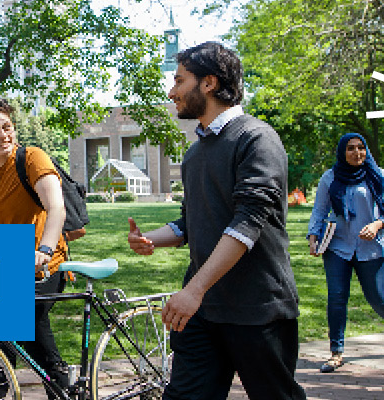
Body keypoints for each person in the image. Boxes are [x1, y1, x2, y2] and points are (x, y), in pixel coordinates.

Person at [126, 42, 305, 400]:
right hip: (204, 312)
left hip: (257, 308)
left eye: (179, 80)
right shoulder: (194, 153)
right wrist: (152, 239)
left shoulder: (257, 139)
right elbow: (190, 223)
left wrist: (194, 290)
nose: (171, 91)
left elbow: (247, 224)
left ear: (208, 83)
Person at [0, 93, 69, 399]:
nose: (3, 135)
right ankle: (63, 384)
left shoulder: (32, 158)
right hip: (12, 267)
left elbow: (56, 208)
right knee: (11, 337)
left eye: (7, 127)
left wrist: (45, 251)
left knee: (9, 327)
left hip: (47, 264)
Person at [306, 132, 384, 373]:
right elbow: (319, 210)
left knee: (377, 297)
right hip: (338, 247)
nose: (357, 153)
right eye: (351, 148)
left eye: (361, 148)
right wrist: (313, 237)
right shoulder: (330, 177)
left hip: (370, 249)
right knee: (336, 298)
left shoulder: (379, 176)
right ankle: (336, 352)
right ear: (342, 152)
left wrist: (376, 225)